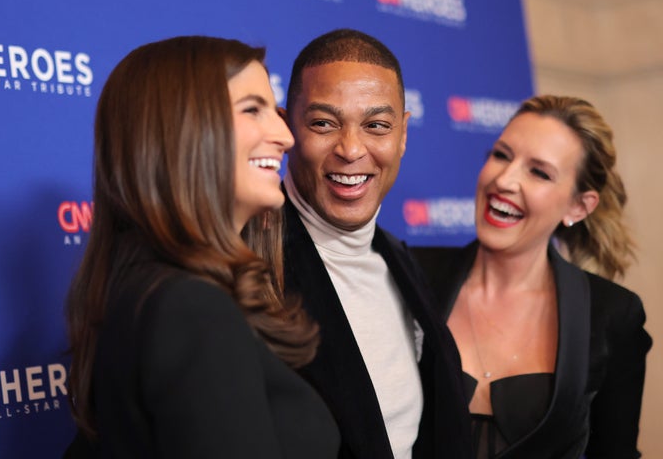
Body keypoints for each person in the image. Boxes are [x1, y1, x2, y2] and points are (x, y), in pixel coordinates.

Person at [63, 36, 339, 458]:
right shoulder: (189, 306)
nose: (285, 136)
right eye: (252, 109)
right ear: (180, 130)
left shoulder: (155, 290)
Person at [412, 95, 652, 458]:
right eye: (501, 155)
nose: (505, 180)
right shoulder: (412, 274)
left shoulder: (613, 314)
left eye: (539, 172)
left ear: (578, 206)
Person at [281, 28, 472, 459]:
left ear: (402, 134)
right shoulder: (244, 263)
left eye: (377, 126)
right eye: (324, 123)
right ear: (285, 128)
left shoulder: (403, 262)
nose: (351, 149)